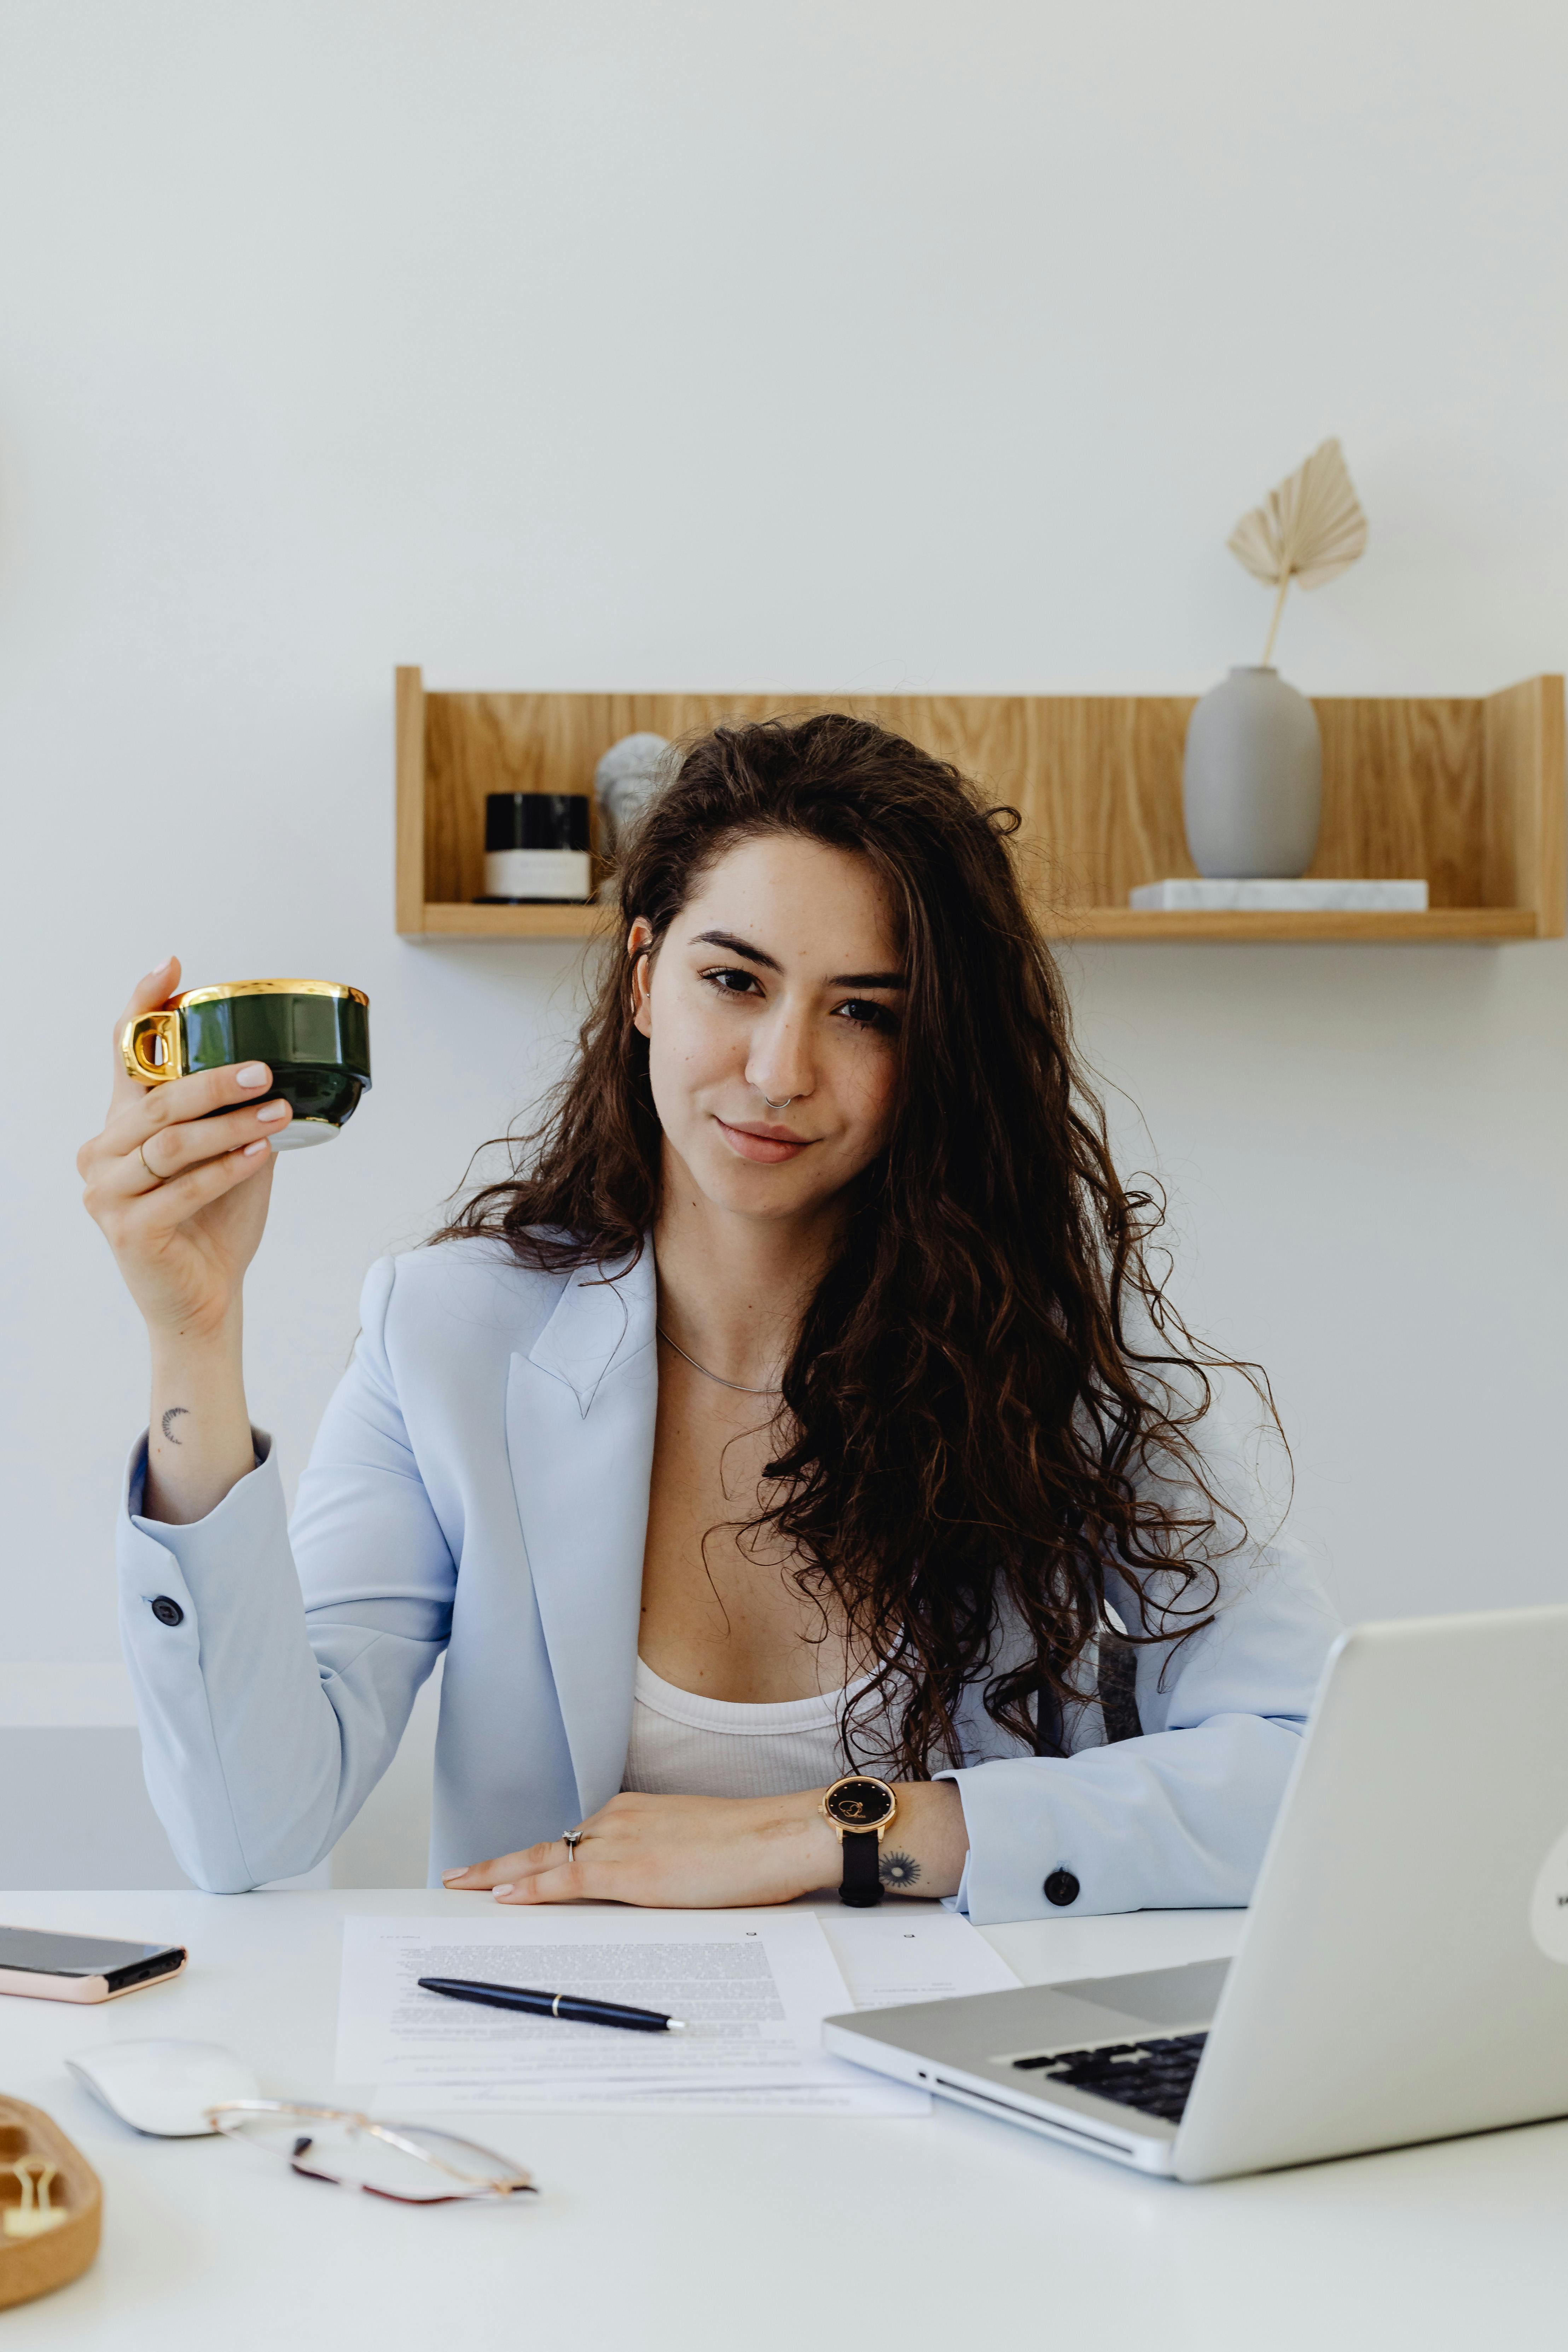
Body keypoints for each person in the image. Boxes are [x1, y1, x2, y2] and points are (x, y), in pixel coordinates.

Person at [81, 714, 1337, 1919]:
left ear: (934, 1052)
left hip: (950, 2072)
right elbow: (248, 1830)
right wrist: (193, 1329)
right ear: (642, 980)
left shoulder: (1037, 1353)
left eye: (863, 1011)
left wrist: (843, 1830)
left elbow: (1313, 1761)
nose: (780, 1068)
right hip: (556, 2068)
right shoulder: (449, 1337)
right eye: (734, 979)